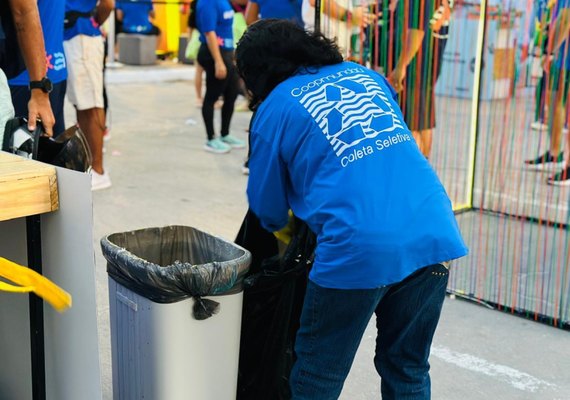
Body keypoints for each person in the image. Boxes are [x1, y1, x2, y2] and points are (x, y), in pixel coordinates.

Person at [236, 19, 468, 399]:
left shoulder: (274, 108)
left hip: (358, 246)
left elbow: (269, 209)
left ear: (257, 72)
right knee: (407, 368)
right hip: (433, 230)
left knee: (317, 372)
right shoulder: (365, 76)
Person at [387, 0, 452, 159]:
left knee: (414, 123)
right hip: (424, 62)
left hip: (417, 62)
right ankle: (420, 171)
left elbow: (417, 29)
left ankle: (416, 172)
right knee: (420, 121)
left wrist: (401, 66)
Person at [63, 0, 114, 190]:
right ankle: (92, 167)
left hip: (82, 36)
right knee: (82, 105)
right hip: (73, 34)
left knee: (90, 105)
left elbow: (108, 4)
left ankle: (98, 171)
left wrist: (92, 22)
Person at [190, 0, 246, 153]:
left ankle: (225, 134)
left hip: (226, 52)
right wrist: (218, 61)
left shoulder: (224, 1)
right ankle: (210, 138)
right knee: (212, 96)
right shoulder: (207, 3)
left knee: (232, 94)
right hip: (213, 53)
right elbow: (209, 32)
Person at [526, 0, 570, 185]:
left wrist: (550, 51)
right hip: (562, 56)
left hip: (564, 55)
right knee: (555, 101)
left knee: (562, 104)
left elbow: (565, 19)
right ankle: (554, 154)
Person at [9, 0, 66, 137]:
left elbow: (23, 11)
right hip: (50, 71)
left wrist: (39, 87)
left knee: (24, 154)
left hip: (28, 79)